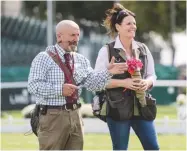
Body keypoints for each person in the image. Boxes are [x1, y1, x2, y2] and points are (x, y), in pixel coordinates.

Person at [27, 20, 127, 150]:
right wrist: (60, 90)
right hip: (52, 116)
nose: (76, 39)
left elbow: (93, 85)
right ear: (59, 36)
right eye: (72, 35)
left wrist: (108, 72)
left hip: (75, 115)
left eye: (77, 35)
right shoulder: (43, 58)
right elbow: (33, 86)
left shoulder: (80, 59)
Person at [94, 3, 160, 150]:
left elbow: (152, 75)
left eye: (134, 23)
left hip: (142, 106)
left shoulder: (143, 49)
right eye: (128, 23)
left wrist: (147, 82)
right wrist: (124, 83)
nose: (133, 26)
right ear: (118, 27)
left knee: (153, 147)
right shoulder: (106, 51)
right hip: (117, 108)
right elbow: (97, 82)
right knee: (120, 149)